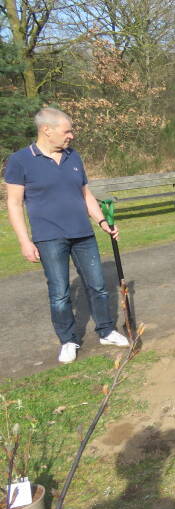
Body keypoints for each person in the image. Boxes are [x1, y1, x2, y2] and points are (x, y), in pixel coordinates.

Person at [4, 108, 129, 364]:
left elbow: (85, 194)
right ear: (46, 130)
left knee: (98, 286)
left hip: (83, 234)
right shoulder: (20, 161)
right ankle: (68, 340)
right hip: (49, 238)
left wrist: (102, 221)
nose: (71, 135)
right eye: (67, 131)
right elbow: (14, 204)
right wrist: (24, 241)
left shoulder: (74, 156)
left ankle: (106, 331)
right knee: (60, 293)